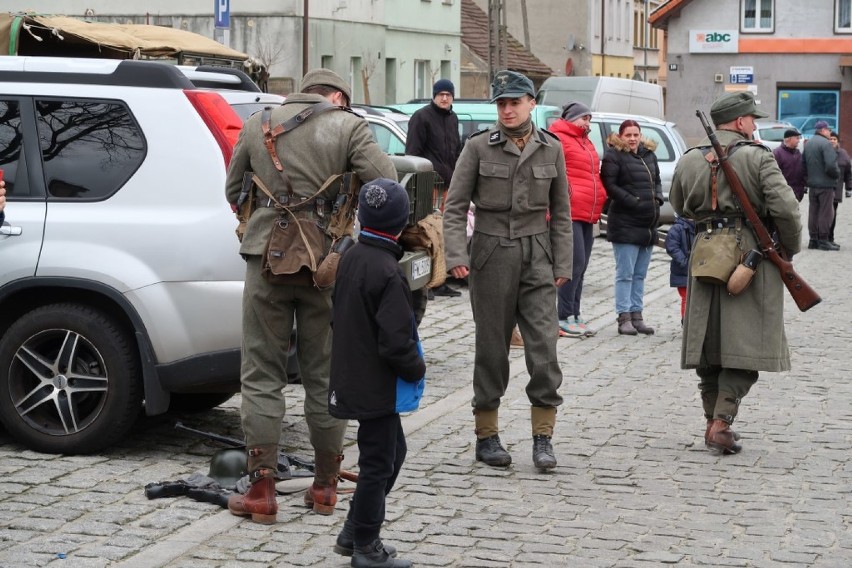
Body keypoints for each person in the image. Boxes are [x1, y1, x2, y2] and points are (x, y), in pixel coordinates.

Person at [224, 68, 397, 523]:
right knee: (325, 375)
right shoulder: (349, 125)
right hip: (328, 262)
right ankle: (324, 487)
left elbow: (230, 190)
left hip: (266, 258)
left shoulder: (257, 124)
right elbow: (388, 181)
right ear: (337, 96)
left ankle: (261, 491)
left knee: (261, 374)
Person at [442, 70, 572, 471]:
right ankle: (487, 436)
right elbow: (454, 205)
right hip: (490, 253)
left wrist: (562, 262)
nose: (508, 109)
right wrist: (456, 255)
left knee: (544, 349)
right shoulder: (479, 147)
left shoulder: (551, 148)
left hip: (537, 254)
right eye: (501, 103)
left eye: (515, 102)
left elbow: (562, 212)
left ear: (532, 103)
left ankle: (543, 438)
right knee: (492, 349)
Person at [668, 91, 801, 455]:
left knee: (707, 344)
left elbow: (679, 205)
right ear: (741, 122)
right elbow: (786, 210)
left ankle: (713, 420)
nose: (754, 125)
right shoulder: (758, 157)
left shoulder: (690, 159)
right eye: (752, 119)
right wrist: (786, 251)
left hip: (704, 253)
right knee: (750, 344)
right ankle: (721, 424)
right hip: (749, 253)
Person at [328, 178, 426, 568]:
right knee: (379, 463)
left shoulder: (352, 255)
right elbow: (396, 342)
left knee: (392, 453)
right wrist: (417, 368)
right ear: (402, 223)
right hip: (376, 385)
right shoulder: (388, 270)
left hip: (353, 374)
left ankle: (354, 529)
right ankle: (366, 546)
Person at [549, 101, 607, 337]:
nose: (587, 123)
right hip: (569, 211)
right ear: (571, 119)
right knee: (572, 264)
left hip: (587, 211)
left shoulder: (585, 141)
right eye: (584, 118)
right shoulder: (559, 139)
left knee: (581, 267)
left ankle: (574, 312)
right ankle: (562, 316)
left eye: (589, 119)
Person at [600, 119, 663, 336]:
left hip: (647, 225)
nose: (633, 138)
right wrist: (632, 200)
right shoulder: (614, 156)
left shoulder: (648, 155)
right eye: (628, 135)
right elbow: (610, 185)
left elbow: (656, 180)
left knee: (640, 274)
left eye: (636, 134)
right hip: (625, 223)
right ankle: (623, 317)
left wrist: (657, 198)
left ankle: (637, 316)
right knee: (625, 274)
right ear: (621, 136)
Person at [405, 79, 462, 303]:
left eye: (448, 94)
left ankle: (442, 279)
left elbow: (456, 151)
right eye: (441, 94)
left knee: (446, 232)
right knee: (428, 234)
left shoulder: (453, 118)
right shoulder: (421, 117)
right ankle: (428, 282)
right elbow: (413, 153)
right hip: (429, 185)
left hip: (449, 185)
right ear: (434, 96)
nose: (445, 98)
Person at [803, 119, 839, 251]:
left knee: (813, 212)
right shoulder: (826, 144)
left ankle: (813, 240)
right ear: (823, 130)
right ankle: (823, 240)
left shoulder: (808, 144)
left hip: (813, 185)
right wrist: (836, 175)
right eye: (829, 130)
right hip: (825, 185)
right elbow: (831, 165)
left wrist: (808, 179)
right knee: (826, 212)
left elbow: (803, 165)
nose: (830, 132)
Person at [663, 215, 695, 323]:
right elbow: (672, 246)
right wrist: (684, 261)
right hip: (682, 271)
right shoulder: (677, 228)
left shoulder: (700, 227)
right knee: (686, 298)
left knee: (695, 298)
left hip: (696, 270)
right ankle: (685, 322)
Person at [828, 131, 851, 248]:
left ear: (837, 141)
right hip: (824, 188)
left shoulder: (843, 154)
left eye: (834, 139)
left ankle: (830, 237)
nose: (832, 141)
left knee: (833, 214)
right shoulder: (824, 152)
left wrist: (849, 188)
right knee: (823, 214)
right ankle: (822, 237)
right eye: (830, 139)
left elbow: (848, 172)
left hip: (837, 190)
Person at [772, 128, 805, 202]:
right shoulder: (777, 153)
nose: (799, 141)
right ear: (789, 139)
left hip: (797, 192)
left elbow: (801, 170)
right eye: (797, 138)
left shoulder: (797, 153)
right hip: (783, 193)